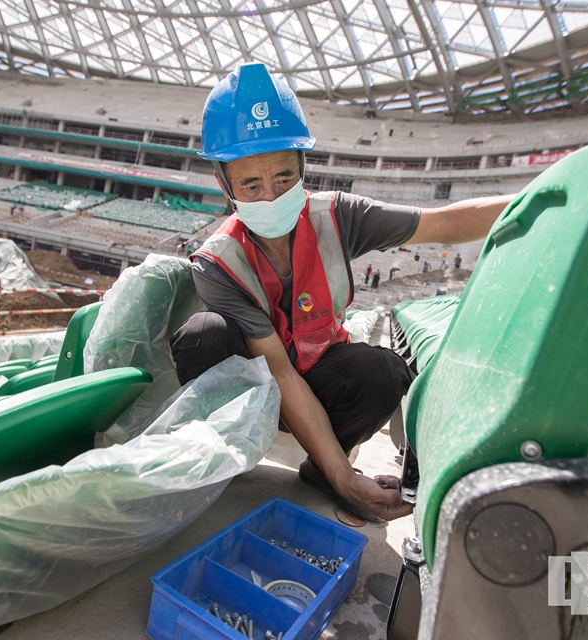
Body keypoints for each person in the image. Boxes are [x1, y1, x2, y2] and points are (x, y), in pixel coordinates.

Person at [169, 62, 514, 521]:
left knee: (383, 371)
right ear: (222, 182)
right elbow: (279, 373)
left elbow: (444, 222)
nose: (270, 196)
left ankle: (318, 469)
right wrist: (347, 479)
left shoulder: (338, 216)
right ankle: (226, 455)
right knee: (203, 335)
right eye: (251, 184)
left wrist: (544, 196)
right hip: (260, 383)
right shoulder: (219, 262)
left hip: (319, 375)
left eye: (284, 177)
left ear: (303, 165)